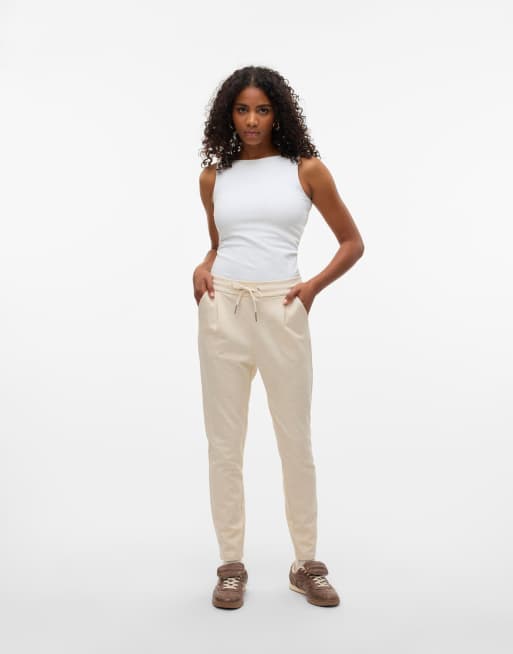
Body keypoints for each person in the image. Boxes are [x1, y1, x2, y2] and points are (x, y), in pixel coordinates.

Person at [193, 65, 365, 609]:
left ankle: (306, 564)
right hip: (222, 312)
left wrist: (311, 288)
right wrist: (203, 265)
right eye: (242, 109)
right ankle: (230, 566)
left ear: (278, 113)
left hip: (283, 309)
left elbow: (352, 242)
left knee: (295, 440)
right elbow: (222, 243)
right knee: (224, 445)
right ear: (228, 115)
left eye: (262, 110)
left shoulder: (306, 170)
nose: (252, 120)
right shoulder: (214, 178)